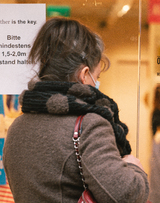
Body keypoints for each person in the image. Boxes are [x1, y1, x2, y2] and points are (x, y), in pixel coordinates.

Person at [3, 17, 149, 202]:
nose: (97, 83)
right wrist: (134, 167)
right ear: (84, 74)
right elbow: (125, 195)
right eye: (97, 75)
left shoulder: (17, 127)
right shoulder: (90, 125)